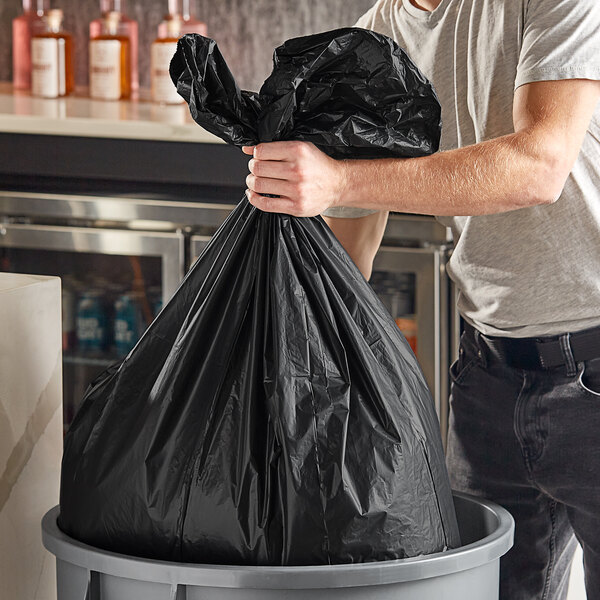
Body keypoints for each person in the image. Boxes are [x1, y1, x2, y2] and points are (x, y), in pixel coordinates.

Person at [241, 0, 600, 598]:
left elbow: (538, 165)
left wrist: (338, 178)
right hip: (487, 377)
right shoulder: (373, 37)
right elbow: (347, 257)